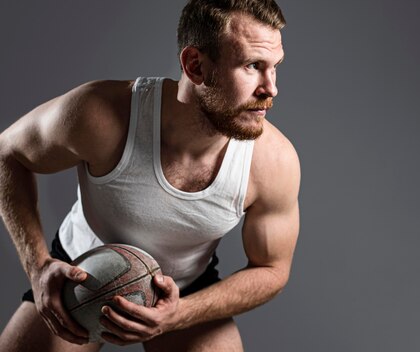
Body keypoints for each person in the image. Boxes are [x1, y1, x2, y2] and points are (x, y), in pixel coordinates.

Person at [0, 0, 299, 350]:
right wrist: (38, 267)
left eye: (274, 67)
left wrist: (180, 313)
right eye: (252, 66)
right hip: (77, 274)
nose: (271, 88)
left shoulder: (273, 162)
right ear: (195, 66)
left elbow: (272, 269)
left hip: (184, 289)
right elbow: (8, 152)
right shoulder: (103, 115)